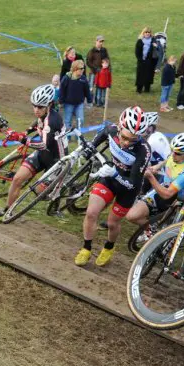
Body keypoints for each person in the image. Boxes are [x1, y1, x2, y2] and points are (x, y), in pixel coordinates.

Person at [74, 106, 151, 267]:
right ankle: (86, 248)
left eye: (132, 140)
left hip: (128, 189)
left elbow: (132, 183)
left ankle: (109, 246)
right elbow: (97, 139)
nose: (126, 142)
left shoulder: (143, 151)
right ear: (120, 126)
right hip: (109, 179)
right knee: (91, 213)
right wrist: (87, 150)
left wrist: (115, 174)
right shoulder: (111, 129)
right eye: (124, 137)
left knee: (112, 223)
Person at [0, 85, 67, 222]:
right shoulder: (44, 114)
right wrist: (26, 132)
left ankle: (57, 200)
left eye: (40, 107)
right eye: (34, 106)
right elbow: (37, 123)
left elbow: (42, 144)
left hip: (57, 160)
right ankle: (7, 210)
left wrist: (22, 139)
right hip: (43, 155)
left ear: (49, 105)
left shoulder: (53, 121)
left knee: (38, 192)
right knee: (17, 180)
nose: (36, 110)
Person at [126, 133, 184, 238]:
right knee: (131, 216)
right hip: (161, 189)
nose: (173, 154)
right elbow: (168, 159)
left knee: (134, 216)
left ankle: (156, 237)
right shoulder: (175, 155)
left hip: (172, 200)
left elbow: (167, 195)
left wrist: (151, 177)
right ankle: (151, 231)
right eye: (172, 150)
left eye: (177, 153)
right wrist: (157, 166)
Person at [60, 60, 92, 130]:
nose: (83, 70)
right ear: (75, 69)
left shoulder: (83, 79)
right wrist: (61, 101)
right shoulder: (66, 78)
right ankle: (66, 138)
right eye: (81, 69)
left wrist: (89, 101)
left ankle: (79, 138)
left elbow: (87, 91)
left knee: (81, 120)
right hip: (68, 103)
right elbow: (62, 90)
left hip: (79, 103)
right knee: (67, 121)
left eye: (83, 68)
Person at [135, 27, 158, 93]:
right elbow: (137, 52)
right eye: (146, 32)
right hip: (141, 61)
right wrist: (140, 60)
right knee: (140, 75)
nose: (147, 34)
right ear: (143, 33)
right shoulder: (140, 41)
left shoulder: (153, 41)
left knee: (149, 75)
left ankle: (147, 89)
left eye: (149, 32)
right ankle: (139, 89)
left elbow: (158, 51)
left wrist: (156, 46)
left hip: (150, 61)